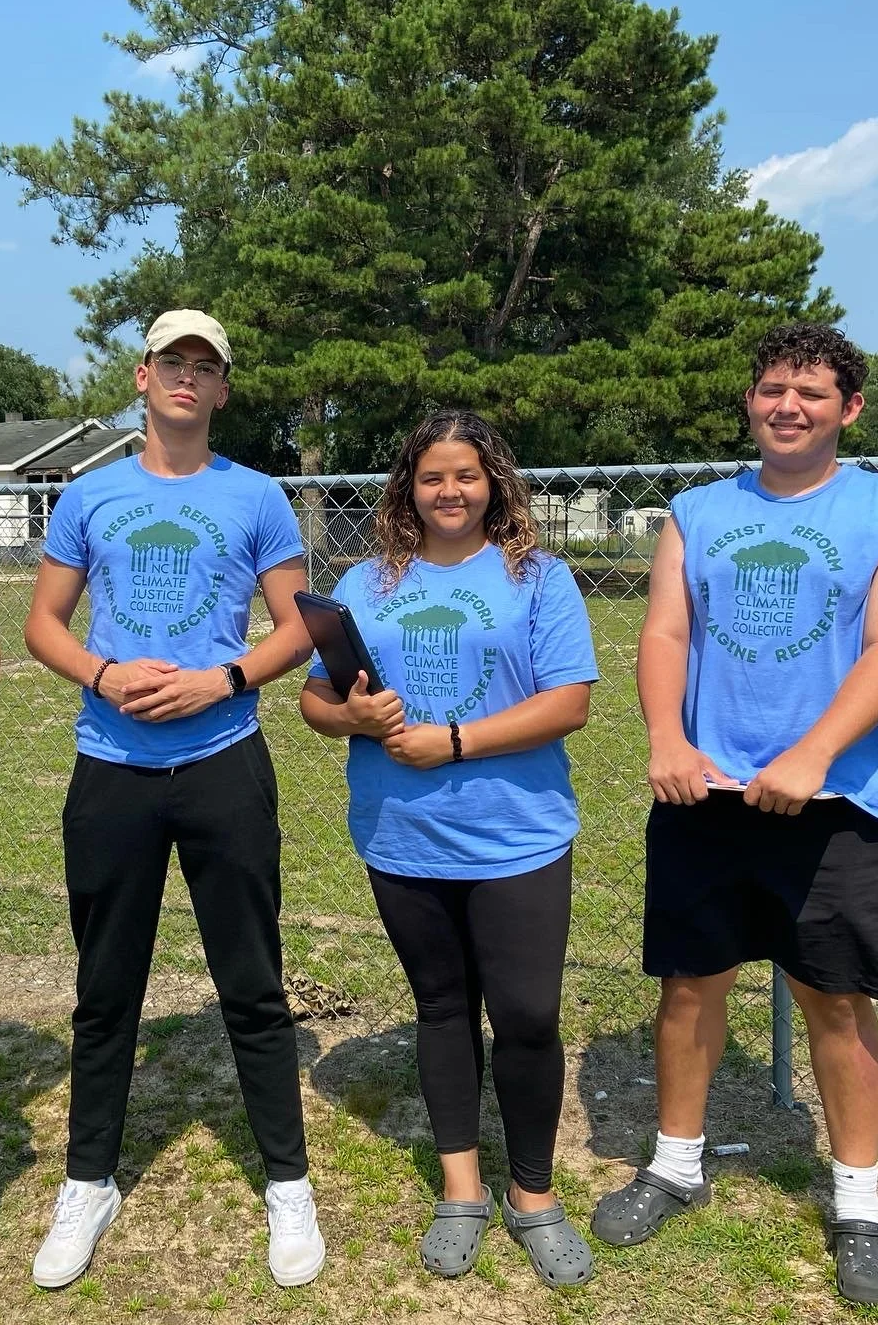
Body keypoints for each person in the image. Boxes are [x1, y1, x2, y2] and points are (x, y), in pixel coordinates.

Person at [590, 323, 878, 1307]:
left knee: (835, 996)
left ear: (850, 408)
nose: (790, 405)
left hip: (836, 801)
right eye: (774, 388)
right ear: (749, 400)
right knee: (690, 988)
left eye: (813, 392)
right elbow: (664, 628)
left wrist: (813, 750)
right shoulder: (697, 512)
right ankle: (674, 1163)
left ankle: (859, 1203)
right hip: (701, 791)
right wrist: (667, 734)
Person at [23, 309, 325, 1290]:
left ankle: (287, 1180)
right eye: (173, 362)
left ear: (223, 388)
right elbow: (43, 625)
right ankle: (89, 1177)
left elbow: (299, 628)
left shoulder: (257, 497)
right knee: (106, 985)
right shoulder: (88, 493)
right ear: (144, 376)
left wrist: (223, 679)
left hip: (223, 759)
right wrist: (105, 675)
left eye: (208, 365)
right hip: (110, 762)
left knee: (252, 977)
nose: (189, 377)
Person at [300, 410, 598, 1289]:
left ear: (493, 481)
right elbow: (319, 701)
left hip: (518, 835)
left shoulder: (538, 578)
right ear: (409, 487)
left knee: (529, 1015)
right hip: (405, 835)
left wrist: (455, 740)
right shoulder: (366, 581)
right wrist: (351, 715)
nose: (450, 491)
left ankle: (533, 1196)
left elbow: (569, 701)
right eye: (433, 476)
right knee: (440, 1008)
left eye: (466, 474)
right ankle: (461, 1187)